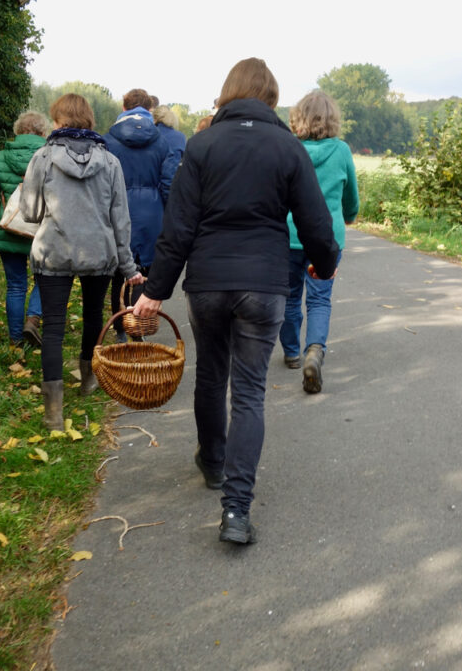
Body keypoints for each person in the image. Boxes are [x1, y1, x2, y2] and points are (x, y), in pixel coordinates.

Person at [131, 58, 339, 545]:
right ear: (270, 98)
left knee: (210, 374)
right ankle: (236, 512)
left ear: (228, 93)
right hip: (264, 286)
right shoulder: (288, 147)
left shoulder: (202, 145)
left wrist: (154, 291)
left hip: (206, 282)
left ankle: (214, 463)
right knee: (247, 392)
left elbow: (177, 228)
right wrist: (324, 264)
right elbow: (315, 222)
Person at [19, 93, 145, 430]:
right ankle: (88, 379)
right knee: (93, 317)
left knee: (54, 328)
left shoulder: (42, 158)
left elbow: (29, 213)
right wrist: (129, 267)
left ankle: (54, 413)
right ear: (88, 120)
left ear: (58, 121)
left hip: (53, 252)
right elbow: (121, 220)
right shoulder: (110, 162)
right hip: (98, 253)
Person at [280, 91, 359, 394]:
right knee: (319, 298)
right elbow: (350, 195)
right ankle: (315, 350)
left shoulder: (290, 148)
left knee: (287, 297)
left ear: (299, 119)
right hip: (326, 238)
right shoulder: (341, 151)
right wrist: (349, 215)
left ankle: (290, 352)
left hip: (289, 235)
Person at [102, 89, 179, 341]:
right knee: (142, 272)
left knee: (119, 274)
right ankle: (138, 328)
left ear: (124, 107)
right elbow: (168, 183)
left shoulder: (108, 140)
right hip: (151, 212)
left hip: (117, 211)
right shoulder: (161, 141)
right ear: (149, 109)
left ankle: (121, 332)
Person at [0, 111, 49, 347]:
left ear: (18, 131)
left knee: (15, 286)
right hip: (42, 230)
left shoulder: (2, 156)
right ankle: (32, 319)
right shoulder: (49, 155)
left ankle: (15, 340)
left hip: (9, 228)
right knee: (44, 278)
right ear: (43, 132)